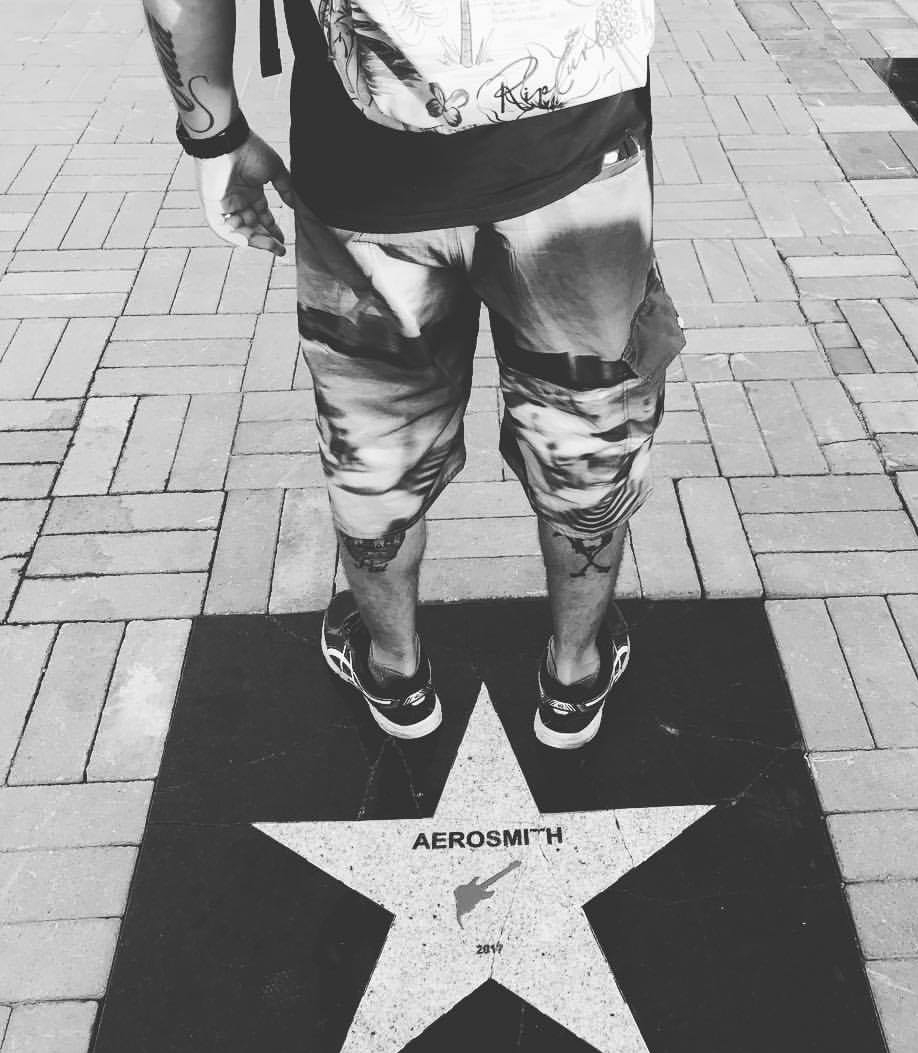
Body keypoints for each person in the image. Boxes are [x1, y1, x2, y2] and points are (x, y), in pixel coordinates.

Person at [142, 0, 684, 750]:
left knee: (376, 441)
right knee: (586, 434)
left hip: (362, 177)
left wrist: (214, 135)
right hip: (577, 165)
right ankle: (574, 673)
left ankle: (395, 671)